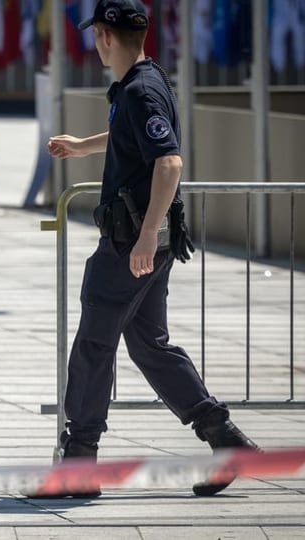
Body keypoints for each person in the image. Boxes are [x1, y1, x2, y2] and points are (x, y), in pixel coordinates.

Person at [46, 0, 259, 497]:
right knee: (150, 346)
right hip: (149, 240)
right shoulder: (146, 81)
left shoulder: (140, 91)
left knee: (94, 346)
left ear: (103, 36)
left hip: (130, 244)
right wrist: (83, 146)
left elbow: (168, 163)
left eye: (95, 35)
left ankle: (80, 466)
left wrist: (145, 236)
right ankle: (225, 438)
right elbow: (134, 140)